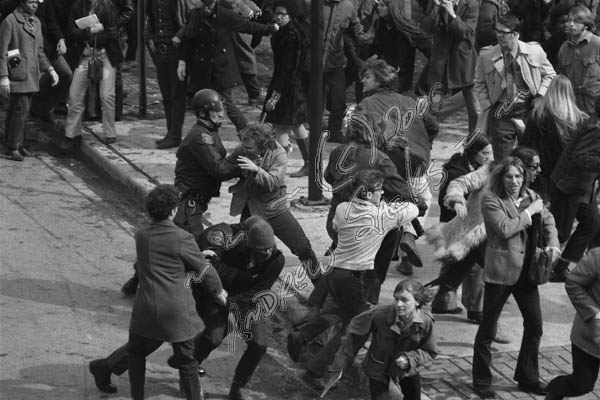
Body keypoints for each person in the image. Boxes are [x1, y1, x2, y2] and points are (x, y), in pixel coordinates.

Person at [300, 169, 419, 389]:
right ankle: (319, 373)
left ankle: (302, 339)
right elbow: (413, 209)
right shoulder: (382, 216)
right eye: (379, 190)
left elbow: (336, 227)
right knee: (356, 329)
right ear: (368, 193)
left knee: (338, 316)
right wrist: (385, 207)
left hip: (335, 275)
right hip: (356, 279)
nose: (382, 193)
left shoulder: (343, 209)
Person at [125, 184, 227, 400]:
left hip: (145, 307)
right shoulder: (182, 238)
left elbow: (163, 259)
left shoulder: (141, 236)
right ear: (172, 211)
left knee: (135, 354)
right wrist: (218, 292)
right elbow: (205, 271)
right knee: (187, 362)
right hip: (176, 311)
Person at [472, 156, 560, 399]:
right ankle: (481, 381)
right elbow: (504, 228)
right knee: (488, 329)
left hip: (527, 273)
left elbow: (549, 221)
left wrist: (553, 243)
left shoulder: (532, 196)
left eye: (518, 176)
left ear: (525, 177)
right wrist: (530, 212)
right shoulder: (491, 199)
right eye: (509, 176)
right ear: (502, 177)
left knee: (535, 325)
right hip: (501, 272)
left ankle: (527, 377)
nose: (514, 181)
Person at [355, 56, 439, 276]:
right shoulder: (410, 101)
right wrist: (424, 144)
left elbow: (360, 135)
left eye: (367, 77)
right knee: (422, 200)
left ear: (380, 80)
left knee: (386, 206)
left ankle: (385, 251)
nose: (362, 81)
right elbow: (432, 125)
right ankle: (409, 237)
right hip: (416, 161)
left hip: (386, 164)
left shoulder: (366, 105)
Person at [227, 124, 324, 305]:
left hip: (274, 208)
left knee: (302, 247)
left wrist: (256, 170)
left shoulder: (278, 153)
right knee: (243, 252)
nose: (244, 151)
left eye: (249, 149)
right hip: (251, 208)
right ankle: (246, 292)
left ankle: (321, 288)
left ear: (263, 146)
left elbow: (273, 181)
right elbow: (227, 163)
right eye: (244, 147)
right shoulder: (244, 147)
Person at [190, 216, 285, 400]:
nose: (266, 253)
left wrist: (232, 303)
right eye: (261, 250)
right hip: (217, 294)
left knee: (259, 345)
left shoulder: (276, 260)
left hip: (245, 300)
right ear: (250, 247)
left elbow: (258, 290)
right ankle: (189, 370)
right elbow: (211, 268)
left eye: (269, 248)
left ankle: (237, 387)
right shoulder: (232, 246)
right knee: (214, 337)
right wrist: (242, 280)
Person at [321, 279, 438, 400]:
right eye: (396, 299)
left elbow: (430, 350)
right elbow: (354, 335)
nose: (398, 304)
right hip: (378, 370)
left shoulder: (425, 322)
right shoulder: (379, 315)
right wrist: (341, 362)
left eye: (404, 300)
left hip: (406, 371)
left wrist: (410, 359)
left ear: (417, 302)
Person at [177, 0, 277, 132]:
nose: (207, 8)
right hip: (201, 69)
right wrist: (182, 61)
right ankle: (207, 136)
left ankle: (246, 133)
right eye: (206, 5)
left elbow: (248, 26)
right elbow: (188, 39)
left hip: (220, 69)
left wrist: (270, 29)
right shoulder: (195, 15)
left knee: (225, 104)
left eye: (210, 5)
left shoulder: (225, 16)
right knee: (202, 104)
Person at [428, 135, 494, 321]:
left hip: (473, 229)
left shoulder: (483, 168)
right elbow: (450, 195)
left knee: (457, 271)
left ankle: (443, 301)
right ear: (473, 153)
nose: (489, 157)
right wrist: (458, 203)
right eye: (485, 153)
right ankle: (475, 311)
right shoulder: (458, 172)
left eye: (491, 152)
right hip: (463, 228)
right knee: (472, 271)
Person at [474, 14, 556, 161]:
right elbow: (479, 83)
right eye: (497, 31)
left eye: (503, 33)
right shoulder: (486, 55)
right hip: (500, 112)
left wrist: (540, 97)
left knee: (531, 157)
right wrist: (487, 105)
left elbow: (550, 75)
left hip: (527, 110)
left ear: (515, 34)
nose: (499, 35)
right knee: (503, 160)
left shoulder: (534, 51)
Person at [174, 88, 242, 240]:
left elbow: (221, 160)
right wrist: (244, 168)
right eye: (216, 110)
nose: (221, 114)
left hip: (197, 199)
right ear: (203, 113)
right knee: (193, 243)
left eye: (221, 109)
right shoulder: (201, 136)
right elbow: (220, 169)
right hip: (190, 199)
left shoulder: (210, 130)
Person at [0, 0, 59, 161]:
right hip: (17, 72)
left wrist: (50, 69)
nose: (35, 5)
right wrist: (3, 77)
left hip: (31, 74)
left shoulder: (37, 22)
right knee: (19, 110)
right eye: (31, 2)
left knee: (20, 110)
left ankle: (15, 143)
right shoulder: (10, 21)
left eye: (36, 2)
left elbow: (39, 51)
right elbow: (2, 51)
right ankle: (12, 146)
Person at [62, 0, 123, 148]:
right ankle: (72, 133)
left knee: (107, 95)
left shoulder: (108, 5)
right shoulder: (77, 6)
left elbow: (112, 32)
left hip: (106, 54)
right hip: (85, 55)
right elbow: (71, 32)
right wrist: (90, 32)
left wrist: (97, 36)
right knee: (75, 94)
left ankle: (110, 132)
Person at [549, 108, 600, 282]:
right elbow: (580, 157)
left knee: (592, 224)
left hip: (584, 188)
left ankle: (561, 267)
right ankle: (535, 267)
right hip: (569, 186)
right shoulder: (596, 128)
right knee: (559, 233)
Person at [262, 0, 311, 177]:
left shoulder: (290, 36)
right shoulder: (289, 32)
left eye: (283, 14)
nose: (279, 17)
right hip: (291, 85)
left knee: (282, 126)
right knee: (296, 125)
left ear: (290, 15)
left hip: (288, 86)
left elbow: (287, 69)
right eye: (278, 14)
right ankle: (309, 163)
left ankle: (279, 168)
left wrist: (275, 96)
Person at [545, 248, 600, 400]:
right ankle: (555, 390)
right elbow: (573, 283)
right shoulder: (596, 257)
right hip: (591, 335)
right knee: (582, 384)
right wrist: (594, 313)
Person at [520, 74, 589, 192]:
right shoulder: (581, 119)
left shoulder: (538, 116)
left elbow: (526, 146)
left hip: (544, 173)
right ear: (570, 93)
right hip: (571, 175)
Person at [422, 0, 480, 133]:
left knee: (475, 109)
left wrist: (452, 14)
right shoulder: (436, 3)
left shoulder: (472, 4)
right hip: (440, 64)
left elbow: (467, 34)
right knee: (433, 109)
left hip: (463, 64)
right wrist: (436, 9)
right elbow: (426, 27)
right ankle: (426, 145)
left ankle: (475, 145)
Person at [146, 0, 189, 149]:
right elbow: (150, 22)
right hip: (161, 51)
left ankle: (175, 135)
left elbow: (188, 22)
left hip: (175, 52)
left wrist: (178, 37)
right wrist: (151, 39)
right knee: (166, 95)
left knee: (177, 95)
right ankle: (171, 132)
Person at [556, 4, 600, 115]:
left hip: (594, 107)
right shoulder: (564, 48)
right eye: (569, 20)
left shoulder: (597, 44)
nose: (570, 24)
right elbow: (561, 79)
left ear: (586, 24)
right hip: (571, 107)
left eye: (576, 21)